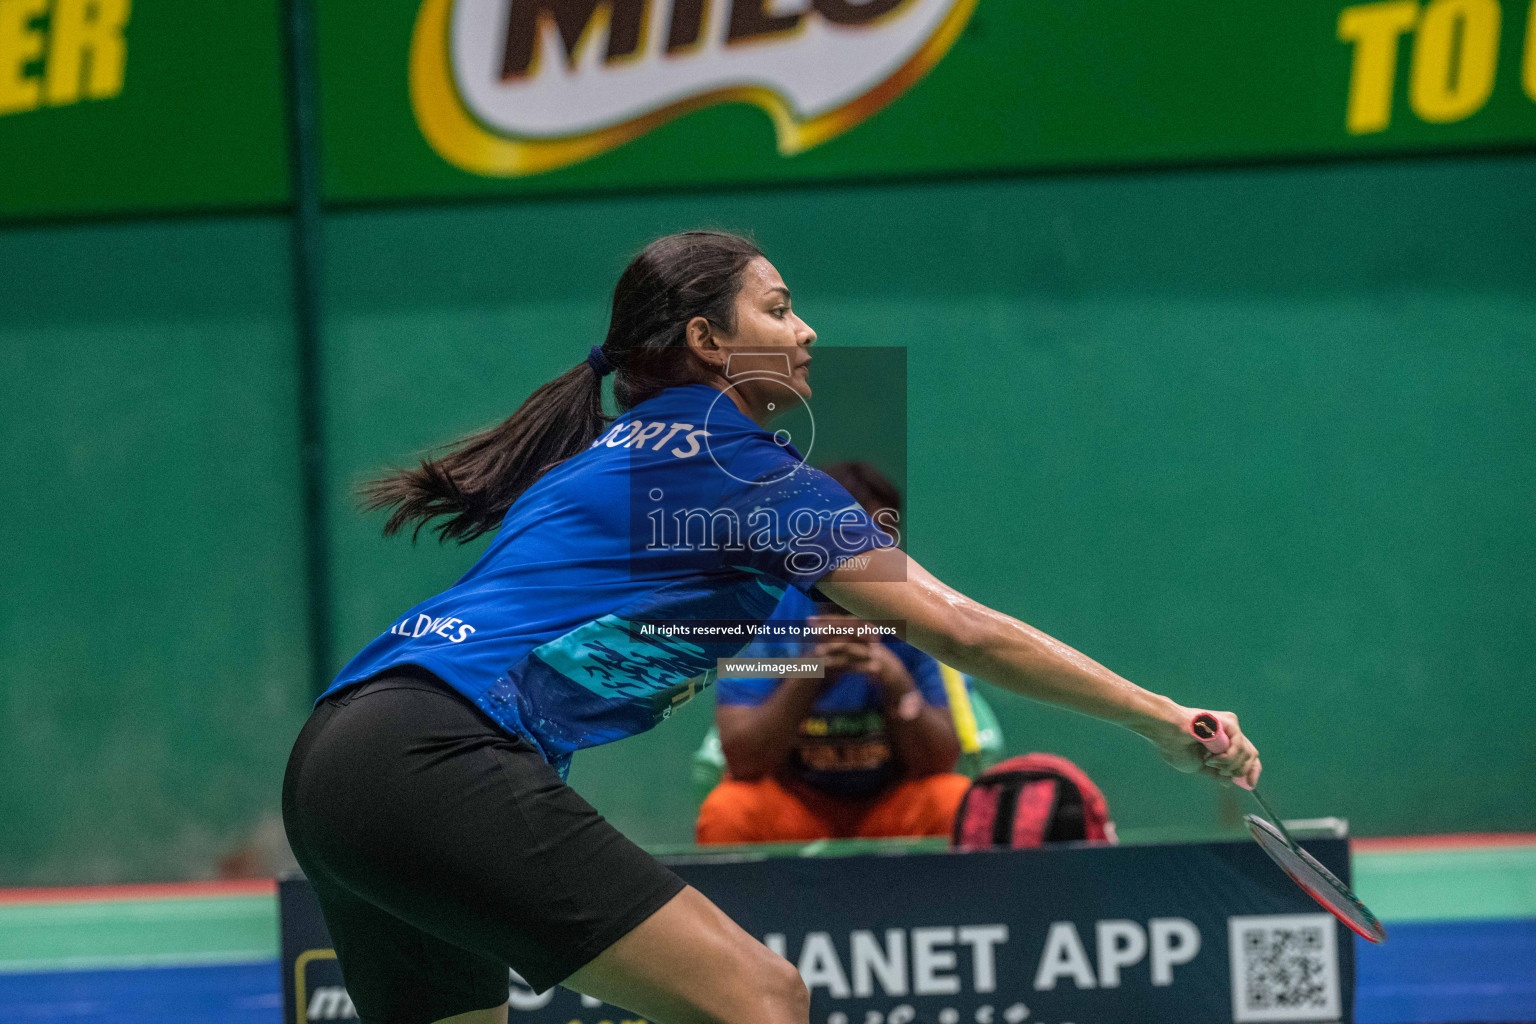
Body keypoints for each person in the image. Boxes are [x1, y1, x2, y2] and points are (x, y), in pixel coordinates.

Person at [281, 230, 1261, 1024]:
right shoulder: (743, 467)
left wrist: (868, 629)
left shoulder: (627, 463)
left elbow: (844, 625)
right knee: (762, 997)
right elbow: (964, 630)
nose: (808, 334)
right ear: (710, 342)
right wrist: (1161, 718)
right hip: (436, 755)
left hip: (337, 762)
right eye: (779, 308)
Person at [697, 462, 972, 845]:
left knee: (953, 800)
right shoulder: (764, 616)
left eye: (884, 543)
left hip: (890, 809)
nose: (874, 559)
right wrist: (811, 674)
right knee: (728, 811)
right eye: (854, 540)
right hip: (796, 810)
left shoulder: (921, 620)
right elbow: (742, 760)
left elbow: (942, 761)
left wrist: (894, 680)